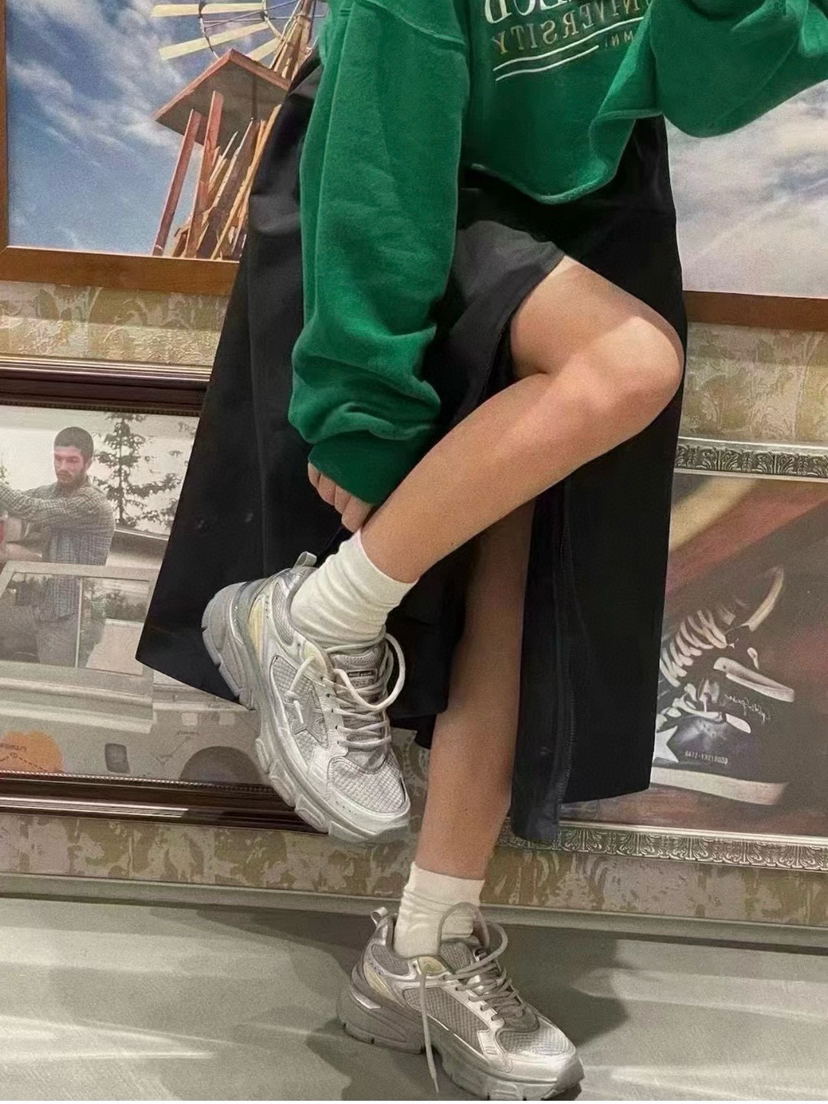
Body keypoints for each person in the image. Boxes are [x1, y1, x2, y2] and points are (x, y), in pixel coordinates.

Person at [139, 1, 828, 1095]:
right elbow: (380, 128)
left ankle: (422, 948)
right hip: (411, 182)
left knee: (524, 580)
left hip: (596, 197)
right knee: (630, 365)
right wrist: (364, 399)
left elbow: (708, 83)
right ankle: (314, 619)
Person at [0, 427, 115, 667]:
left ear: (88, 463)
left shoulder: (92, 502)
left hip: (75, 617)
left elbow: (29, 507)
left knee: (56, 685)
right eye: (58, 458)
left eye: (72, 460)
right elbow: (13, 501)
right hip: (44, 610)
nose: (62, 467)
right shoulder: (51, 492)